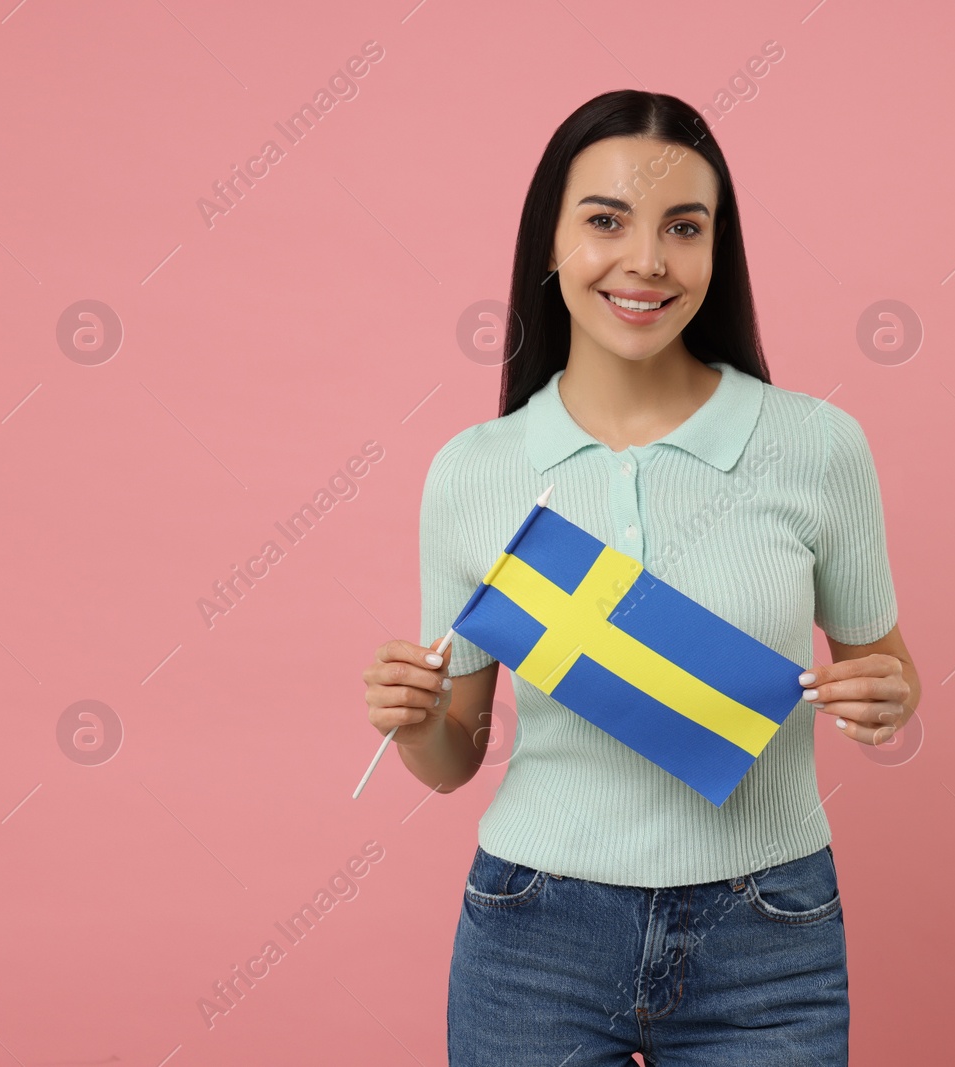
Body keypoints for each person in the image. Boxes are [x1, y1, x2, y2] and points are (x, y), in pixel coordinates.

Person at [361, 88, 920, 1065]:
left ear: (717, 249)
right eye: (606, 221)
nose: (647, 260)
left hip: (768, 930)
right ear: (550, 241)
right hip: (533, 931)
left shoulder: (816, 446)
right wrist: (416, 720)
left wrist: (887, 697)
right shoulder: (474, 471)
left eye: (684, 228)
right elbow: (453, 757)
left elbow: (890, 674)